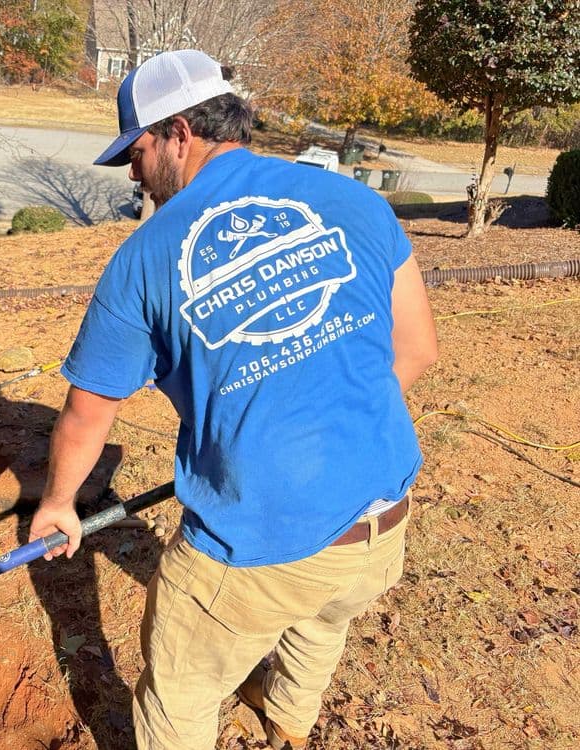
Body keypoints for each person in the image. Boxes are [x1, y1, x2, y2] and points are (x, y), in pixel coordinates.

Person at [28, 49, 437, 750]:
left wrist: (59, 504)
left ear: (180, 132)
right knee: (322, 618)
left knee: (178, 692)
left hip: (257, 550)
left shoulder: (144, 259)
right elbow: (418, 350)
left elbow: (89, 413)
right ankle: (287, 719)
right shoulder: (353, 201)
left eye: (138, 149)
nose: (132, 170)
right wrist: (320, 420)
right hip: (383, 527)